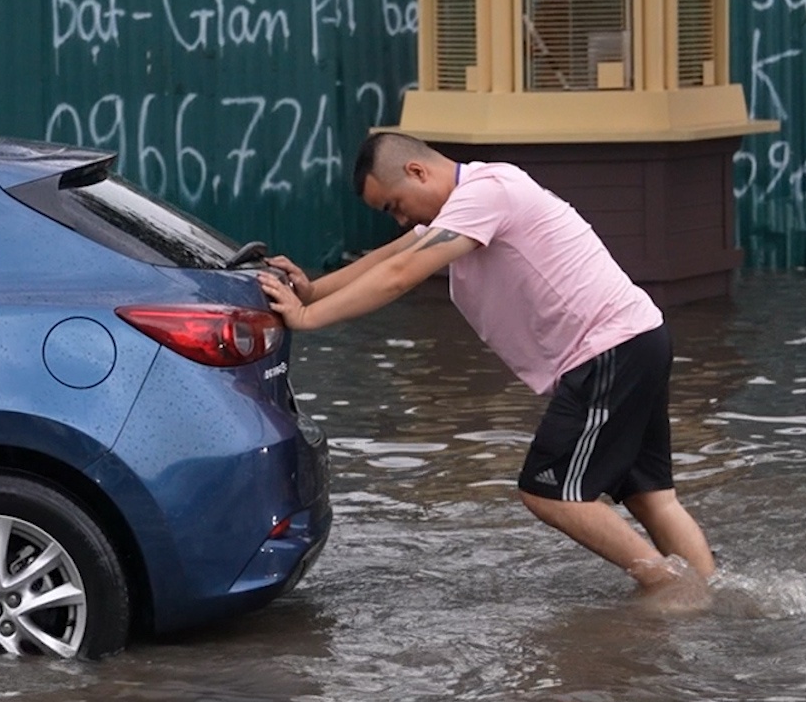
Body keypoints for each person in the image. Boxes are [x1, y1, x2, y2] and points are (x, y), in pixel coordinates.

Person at [255, 131, 715, 603]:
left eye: (394, 204)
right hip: (636, 340)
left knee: (550, 492)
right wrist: (314, 291)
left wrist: (308, 318)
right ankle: (714, 600)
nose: (399, 218)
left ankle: (669, 587)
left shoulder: (487, 192)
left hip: (609, 351)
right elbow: (391, 256)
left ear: (418, 172)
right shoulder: (469, 201)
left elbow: (398, 276)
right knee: (650, 497)